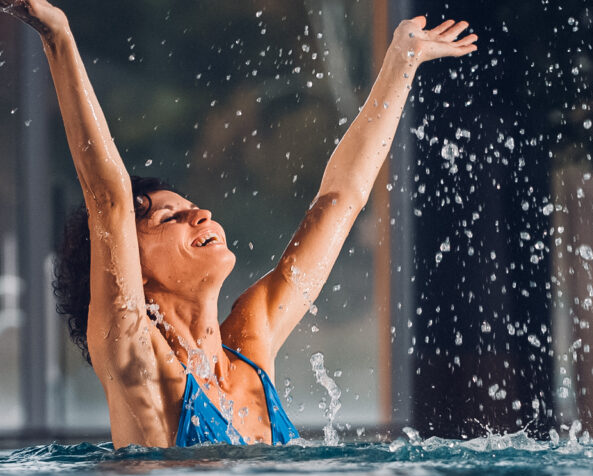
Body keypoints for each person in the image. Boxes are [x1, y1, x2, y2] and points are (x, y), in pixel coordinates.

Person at [0, 0, 477, 447]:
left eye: (190, 206)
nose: (200, 214)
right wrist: (57, 36)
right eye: (170, 217)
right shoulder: (137, 362)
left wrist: (402, 61)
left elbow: (341, 200)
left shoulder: (251, 341)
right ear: (131, 265)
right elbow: (109, 200)